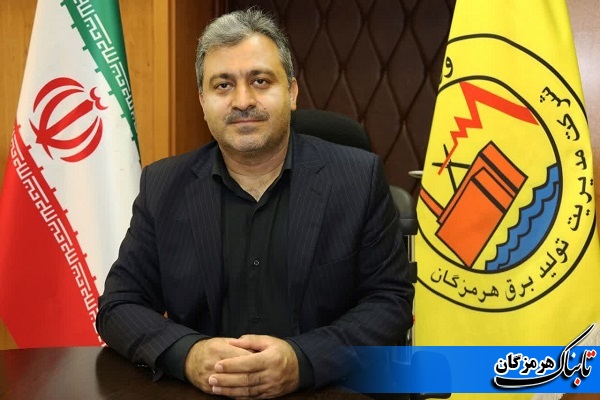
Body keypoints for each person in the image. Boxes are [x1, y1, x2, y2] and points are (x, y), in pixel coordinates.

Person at [97, 7, 414, 399]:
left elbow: (390, 302)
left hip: (326, 390)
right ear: (202, 101)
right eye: (223, 85)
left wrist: (302, 361)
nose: (242, 100)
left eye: (260, 81)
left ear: (292, 92)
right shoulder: (163, 186)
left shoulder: (358, 179)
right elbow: (118, 306)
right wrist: (189, 354)